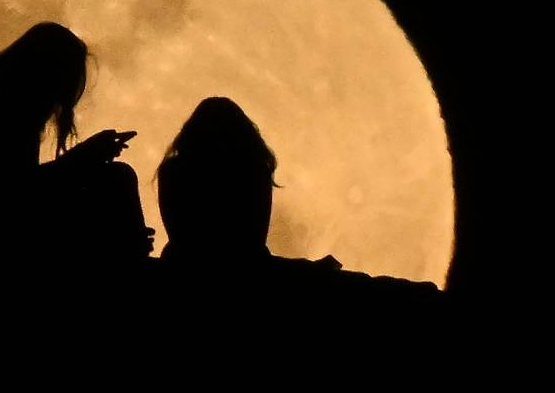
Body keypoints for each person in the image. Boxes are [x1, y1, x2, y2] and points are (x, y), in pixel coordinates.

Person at [155, 96, 441, 310]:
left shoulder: (173, 171)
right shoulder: (252, 168)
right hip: (249, 275)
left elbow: (180, 233)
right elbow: (253, 238)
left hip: (185, 271)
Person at [0, 22, 154, 273]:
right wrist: (81, 159)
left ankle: (130, 249)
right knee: (115, 179)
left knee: (112, 180)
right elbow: (7, 194)